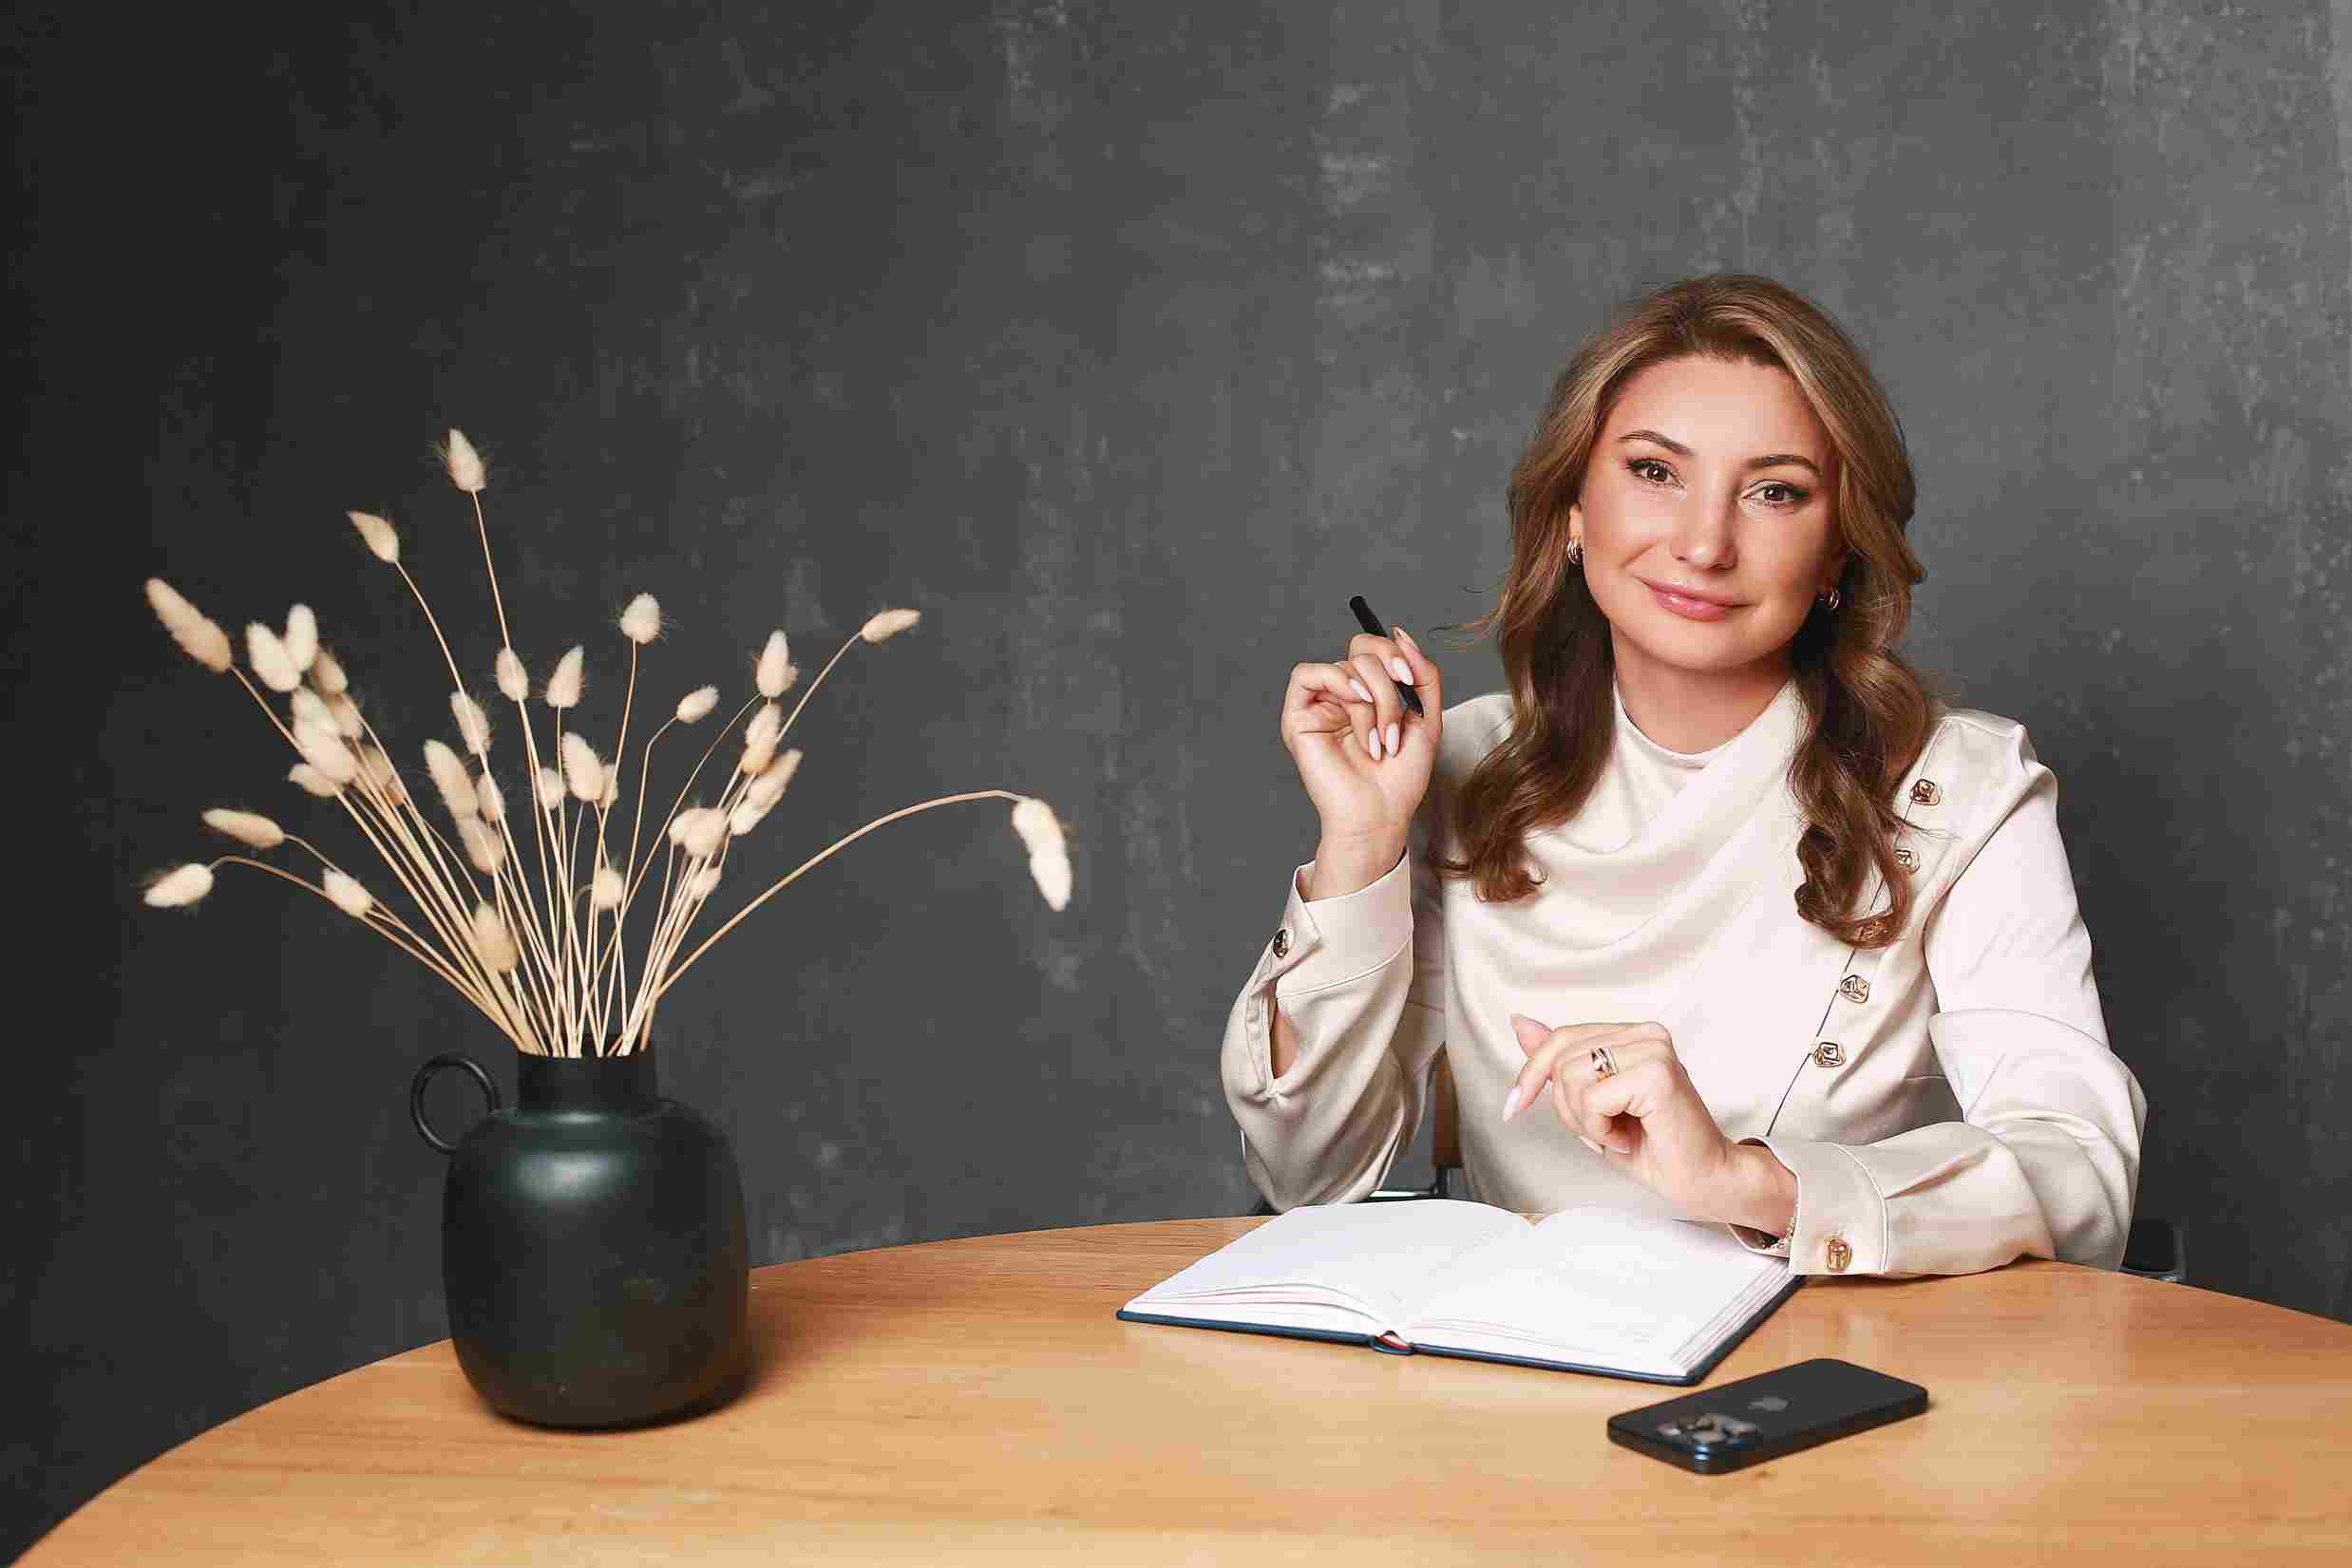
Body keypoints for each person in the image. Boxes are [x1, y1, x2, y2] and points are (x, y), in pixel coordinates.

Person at [1220, 273, 2146, 1278]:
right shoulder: (1461, 768)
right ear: (1572, 510)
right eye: (1655, 471)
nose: (1705, 545)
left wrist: (1748, 1180)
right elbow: (1306, 1174)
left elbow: (2080, 1177)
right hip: (1510, 1363)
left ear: (1840, 548)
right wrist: (1361, 844)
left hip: (1828, 1363)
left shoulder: (1960, 787)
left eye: (1774, 491)